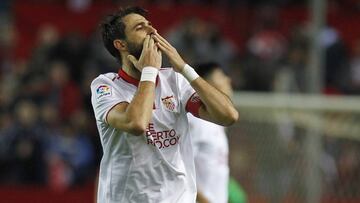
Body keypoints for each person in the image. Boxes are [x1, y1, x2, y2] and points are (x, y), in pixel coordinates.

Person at [90, 6, 238, 203]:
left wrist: (185, 68)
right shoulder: (106, 86)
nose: (152, 31)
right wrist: (149, 71)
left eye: (150, 25)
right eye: (140, 27)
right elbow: (136, 123)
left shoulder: (175, 81)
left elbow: (228, 116)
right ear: (121, 44)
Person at [188, 62, 233, 203]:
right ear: (205, 85)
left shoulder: (215, 124)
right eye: (221, 76)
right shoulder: (197, 121)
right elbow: (180, 169)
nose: (228, 80)